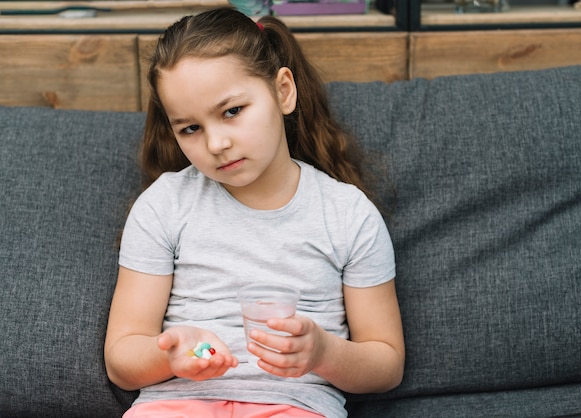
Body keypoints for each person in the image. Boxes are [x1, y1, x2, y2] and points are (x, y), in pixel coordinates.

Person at [104, 7, 404, 418]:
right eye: (190, 128)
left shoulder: (348, 214)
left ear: (283, 91)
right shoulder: (163, 206)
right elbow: (122, 357)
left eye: (231, 112)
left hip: (295, 405)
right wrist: (170, 356)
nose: (215, 144)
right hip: (176, 403)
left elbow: (386, 365)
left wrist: (322, 352)